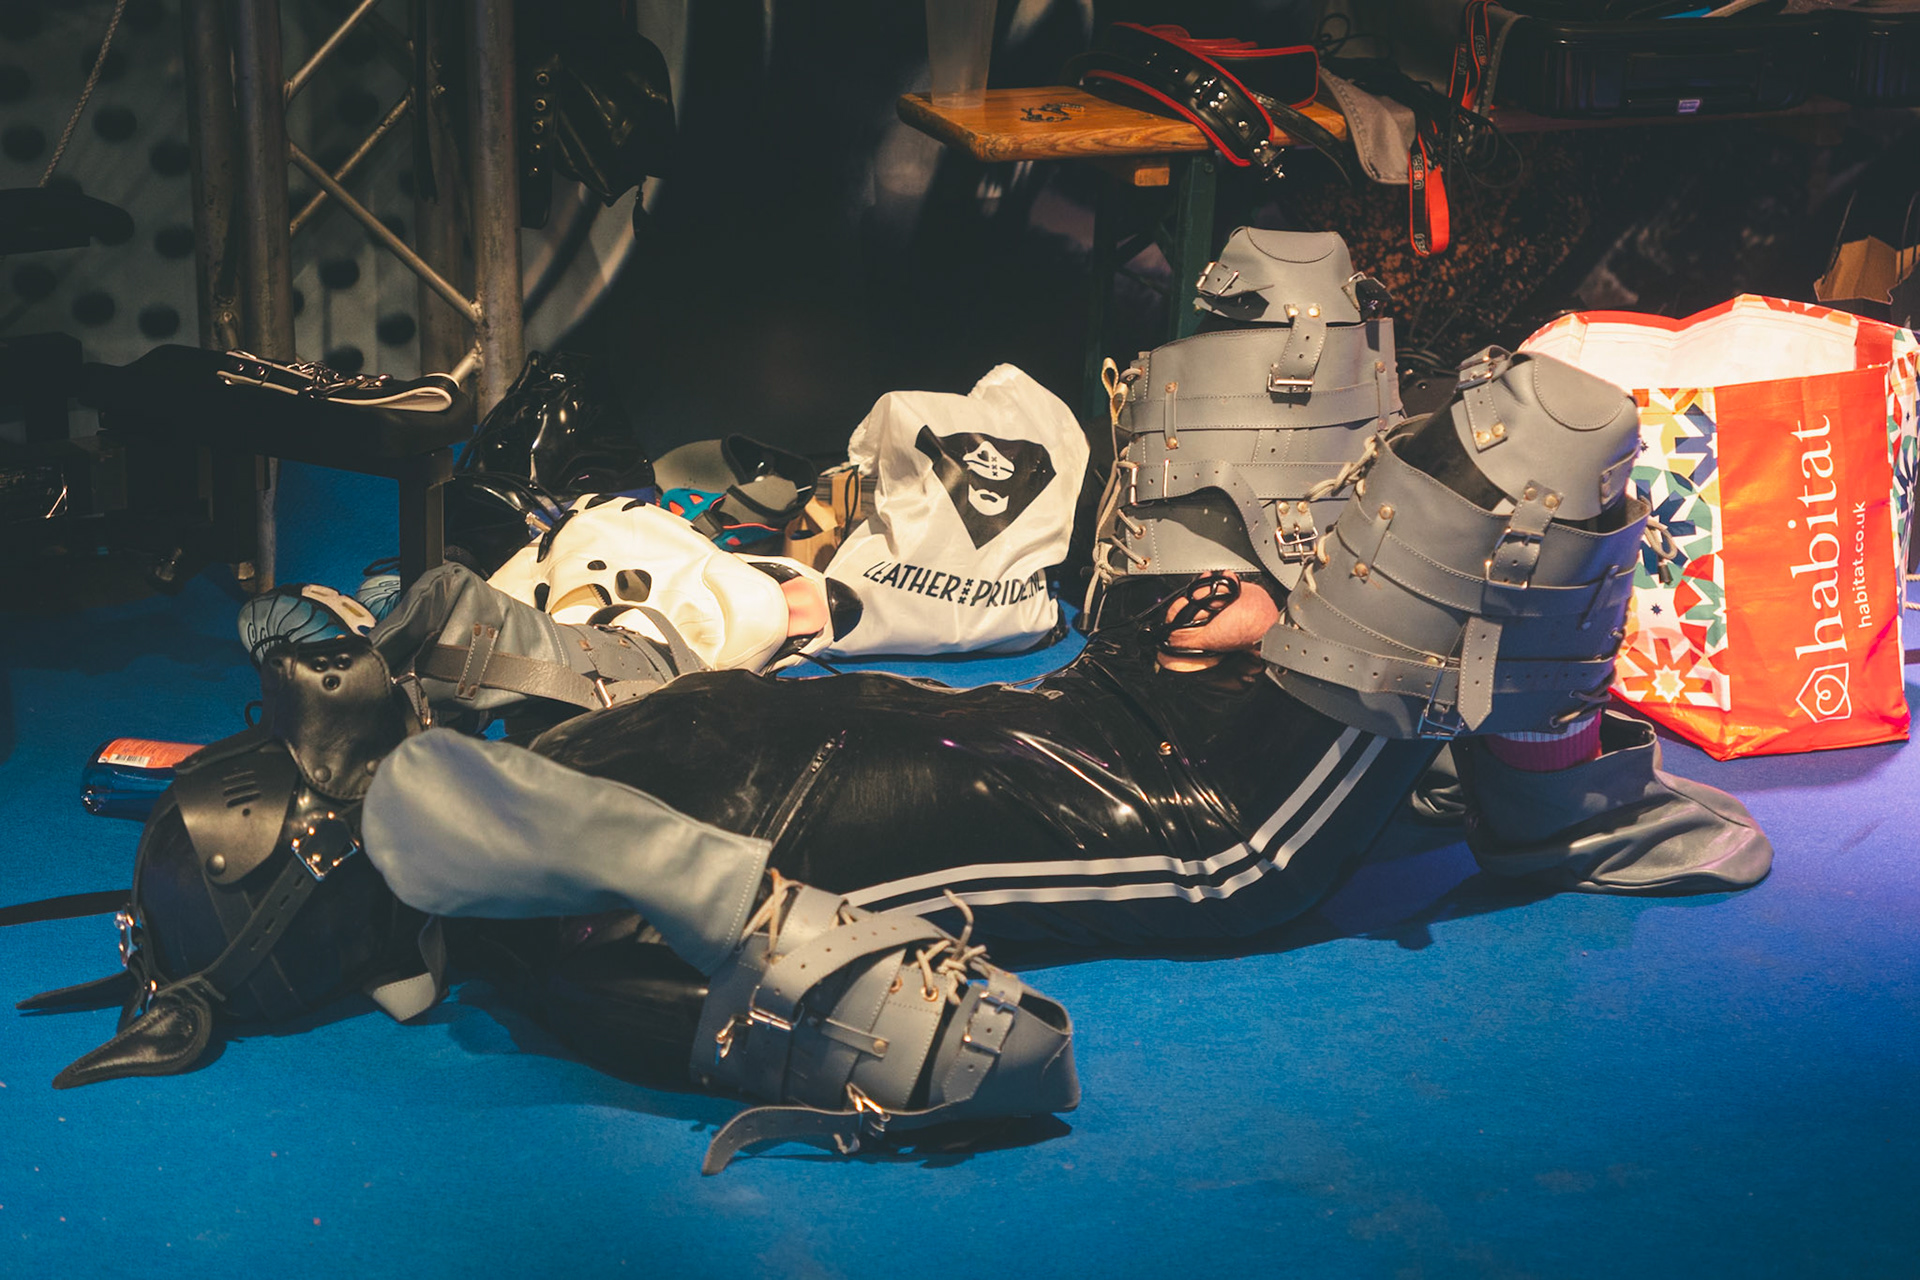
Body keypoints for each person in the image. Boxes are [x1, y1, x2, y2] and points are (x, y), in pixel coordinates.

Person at [32, 230, 1771, 1172]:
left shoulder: (525, 809)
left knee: (1277, 289)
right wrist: (431, 790)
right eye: (320, 804)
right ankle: (1550, 803)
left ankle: (1479, 767)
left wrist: (439, 651)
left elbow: (546, 703)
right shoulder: (587, 945)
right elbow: (993, 1048)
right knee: (1538, 439)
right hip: (1198, 828)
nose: (344, 772)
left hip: (1100, 694)